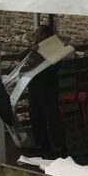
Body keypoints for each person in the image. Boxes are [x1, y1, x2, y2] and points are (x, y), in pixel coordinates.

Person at [23, 25, 67, 157]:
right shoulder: (33, 48)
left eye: (37, 32)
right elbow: (23, 60)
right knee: (35, 116)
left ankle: (59, 146)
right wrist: (31, 51)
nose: (34, 34)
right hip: (35, 87)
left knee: (52, 117)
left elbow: (53, 66)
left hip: (48, 87)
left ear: (44, 35)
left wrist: (39, 53)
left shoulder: (54, 48)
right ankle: (42, 144)